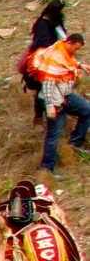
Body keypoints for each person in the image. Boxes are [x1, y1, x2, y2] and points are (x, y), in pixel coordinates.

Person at [31, 33, 90, 172]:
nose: (76, 52)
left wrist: (80, 65)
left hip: (65, 96)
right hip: (54, 101)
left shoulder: (64, 52)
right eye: (75, 48)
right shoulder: (54, 59)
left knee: (87, 110)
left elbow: (67, 64)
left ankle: (75, 143)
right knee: (54, 134)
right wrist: (50, 106)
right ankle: (47, 168)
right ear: (69, 43)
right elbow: (47, 84)